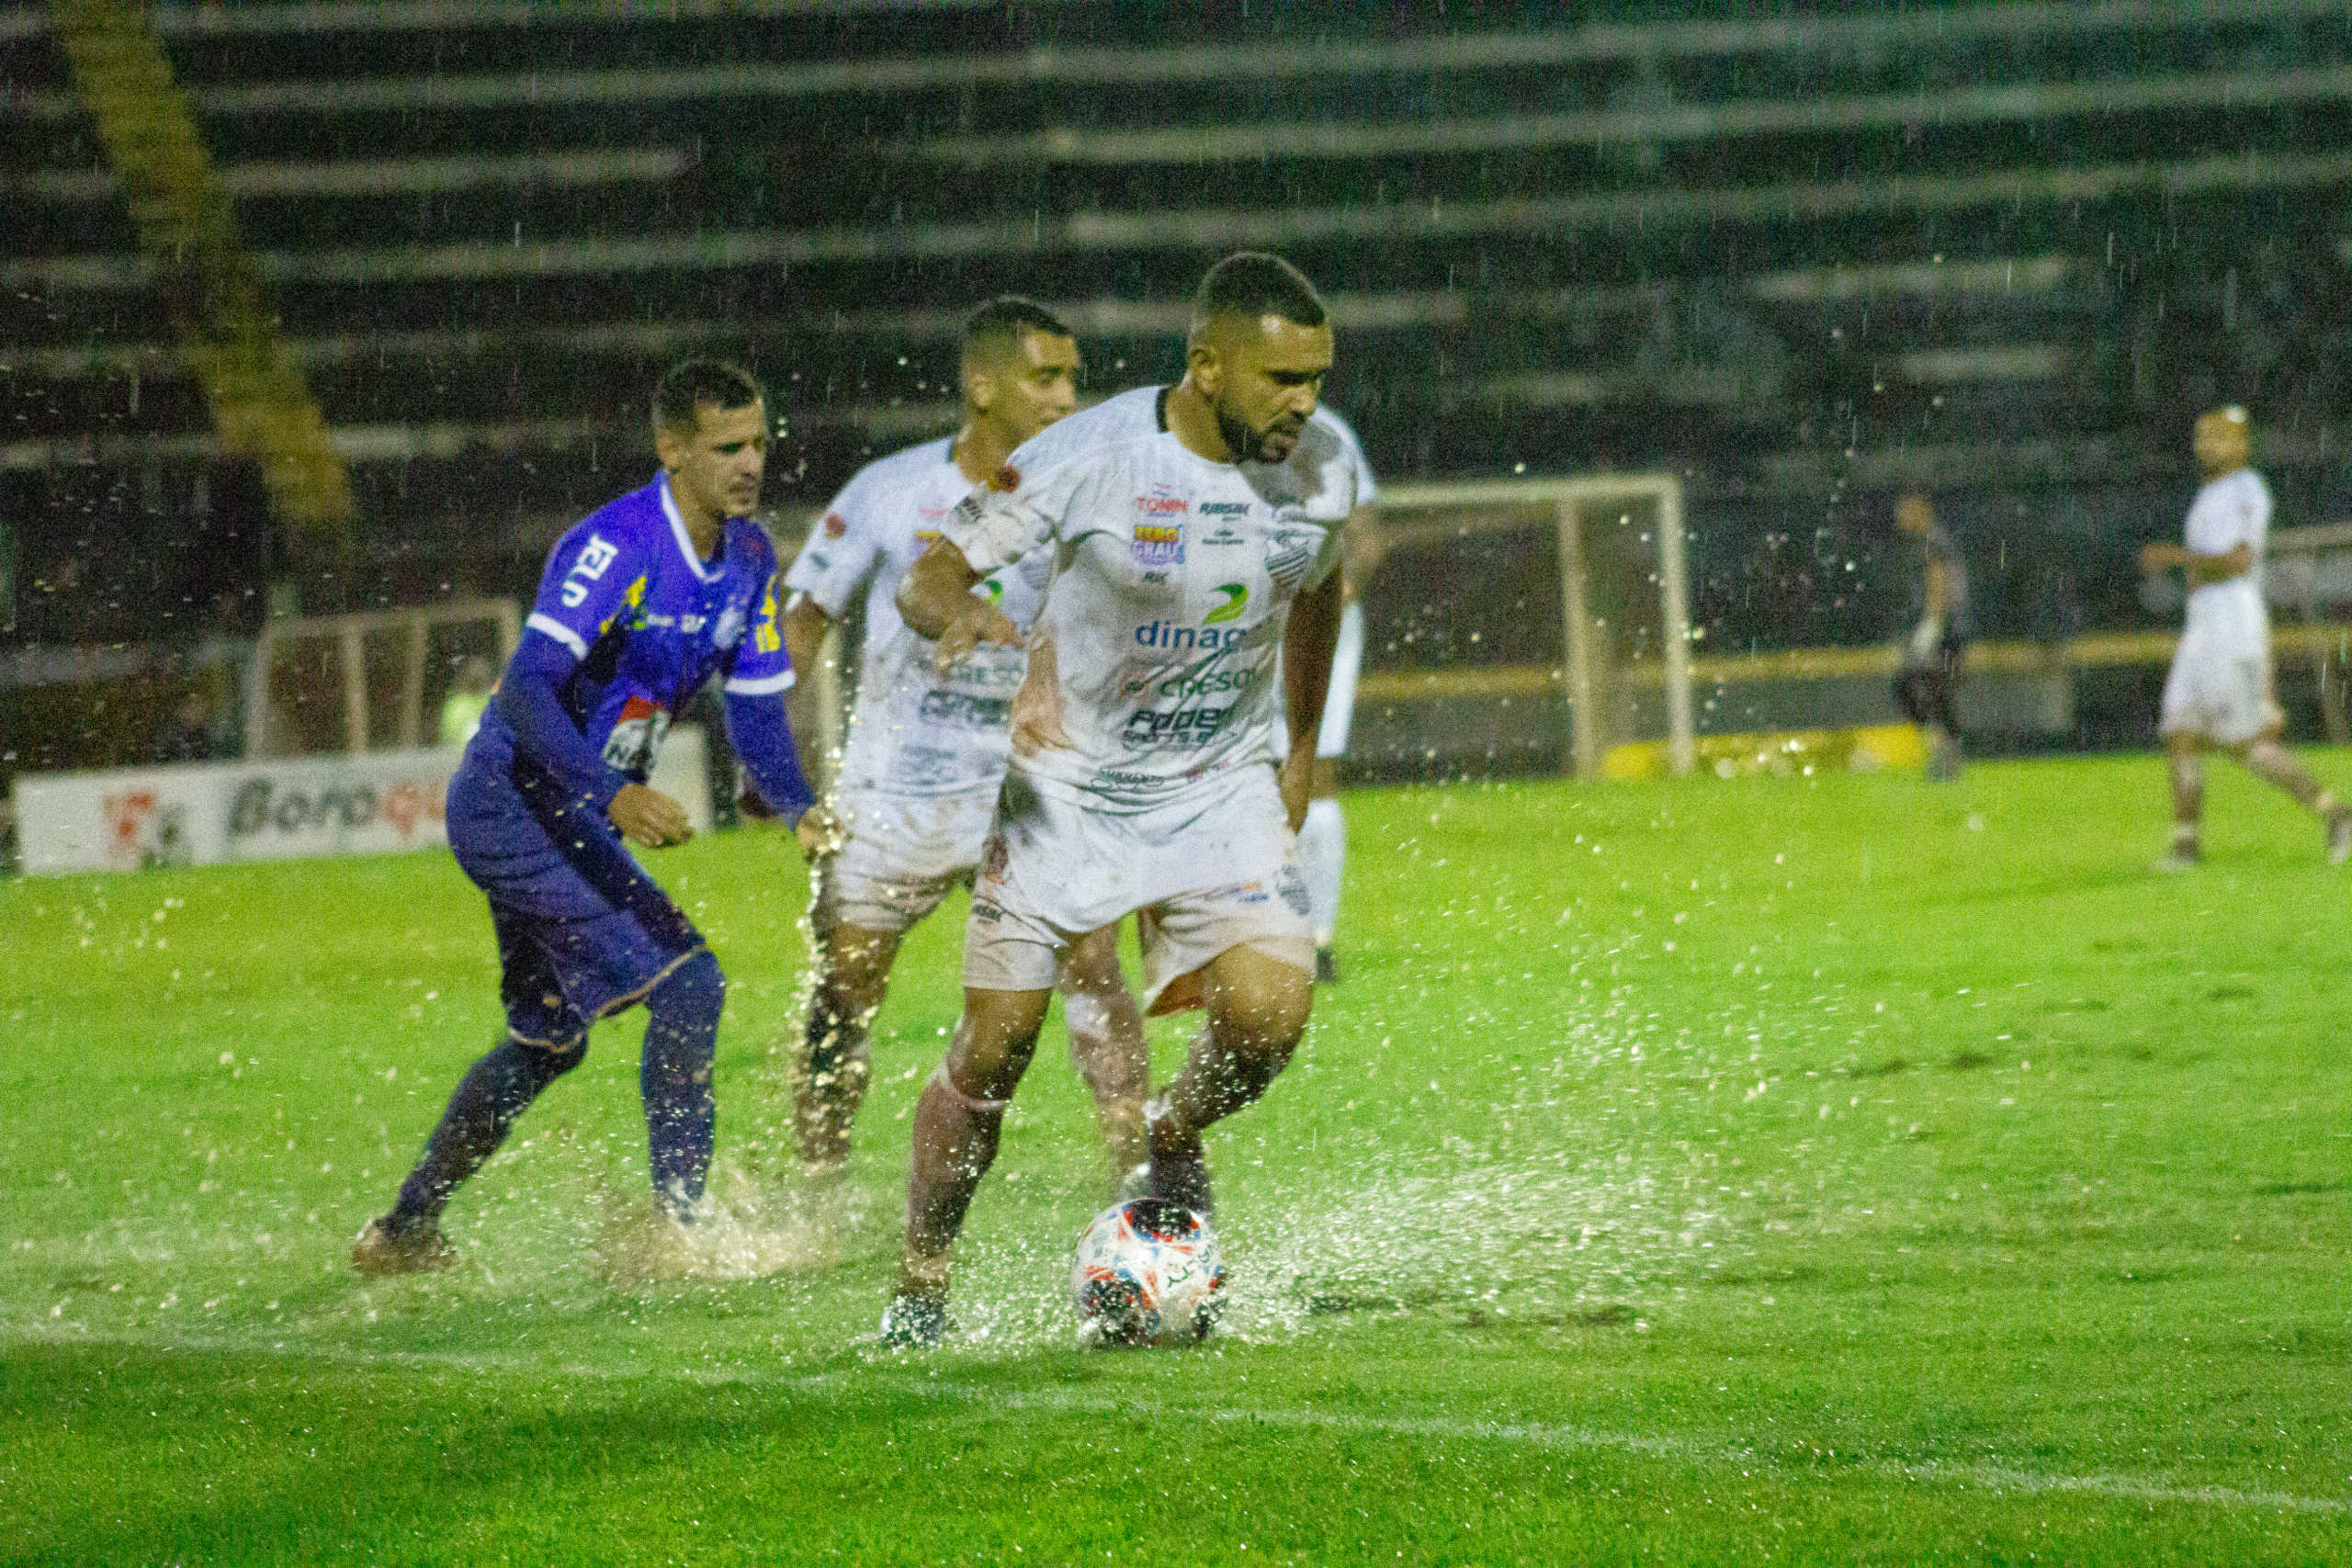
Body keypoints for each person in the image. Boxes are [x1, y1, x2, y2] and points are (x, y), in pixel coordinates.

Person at [877, 252, 1375, 1347]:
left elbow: (1319, 583)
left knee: (1269, 1014)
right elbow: (934, 569)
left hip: (1218, 786)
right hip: (1066, 792)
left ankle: (1168, 1130)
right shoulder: (1087, 455)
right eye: (1281, 380)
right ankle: (919, 1286)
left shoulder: (1324, 466)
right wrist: (952, 614)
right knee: (995, 1047)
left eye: (1318, 379)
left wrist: (1297, 747)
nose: (1305, 403)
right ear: (1206, 366)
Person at [353, 360, 830, 1275]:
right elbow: (527, 688)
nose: (751, 463)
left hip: (566, 817)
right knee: (691, 983)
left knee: (546, 1043)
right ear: (673, 450)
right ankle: (680, 1234)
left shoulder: (749, 559)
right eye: (729, 446)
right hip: (515, 804)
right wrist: (614, 794)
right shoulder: (616, 546)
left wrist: (800, 806)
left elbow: (759, 708)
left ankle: (402, 1233)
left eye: (761, 442)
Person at [778, 298, 1150, 1185]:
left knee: (1093, 964)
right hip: (897, 790)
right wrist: (776, 763)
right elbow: (801, 625)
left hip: (1030, 783)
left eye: (1073, 379)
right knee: (847, 985)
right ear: (982, 384)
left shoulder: (1096, 491)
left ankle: (1138, 1170)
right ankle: (818, 1180)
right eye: (1044, 377)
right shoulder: (889, 490)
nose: (1066, 397)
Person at [2140, 405, 2351, 870]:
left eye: (2214, 436)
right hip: (2202, 627)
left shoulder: (2244, 488)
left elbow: (2239, 561)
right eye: (2199, 436)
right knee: (2179, 729)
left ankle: (2336, 814)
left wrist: (2177, 559)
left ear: (2240, 443)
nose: (2203, 445)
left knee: (2245, 745)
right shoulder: (2208, 494)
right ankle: (2185, 846)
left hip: (2231, 626)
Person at [1891, 492, 1970, 782]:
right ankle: (1947, 751)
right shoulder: (1938, 540)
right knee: (1937, 691)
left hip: (1944, 630)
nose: (1899, 518)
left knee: (1915, 686)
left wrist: (1932, 624)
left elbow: (1938, 581)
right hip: (1952, 629)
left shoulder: (1931, 542)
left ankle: (1944, 749)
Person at [437, 654, 498, 748]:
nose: (477, 674)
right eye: (474, 672)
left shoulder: (494, 703)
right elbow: (448, 741)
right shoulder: (455, 706)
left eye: (480, 671)